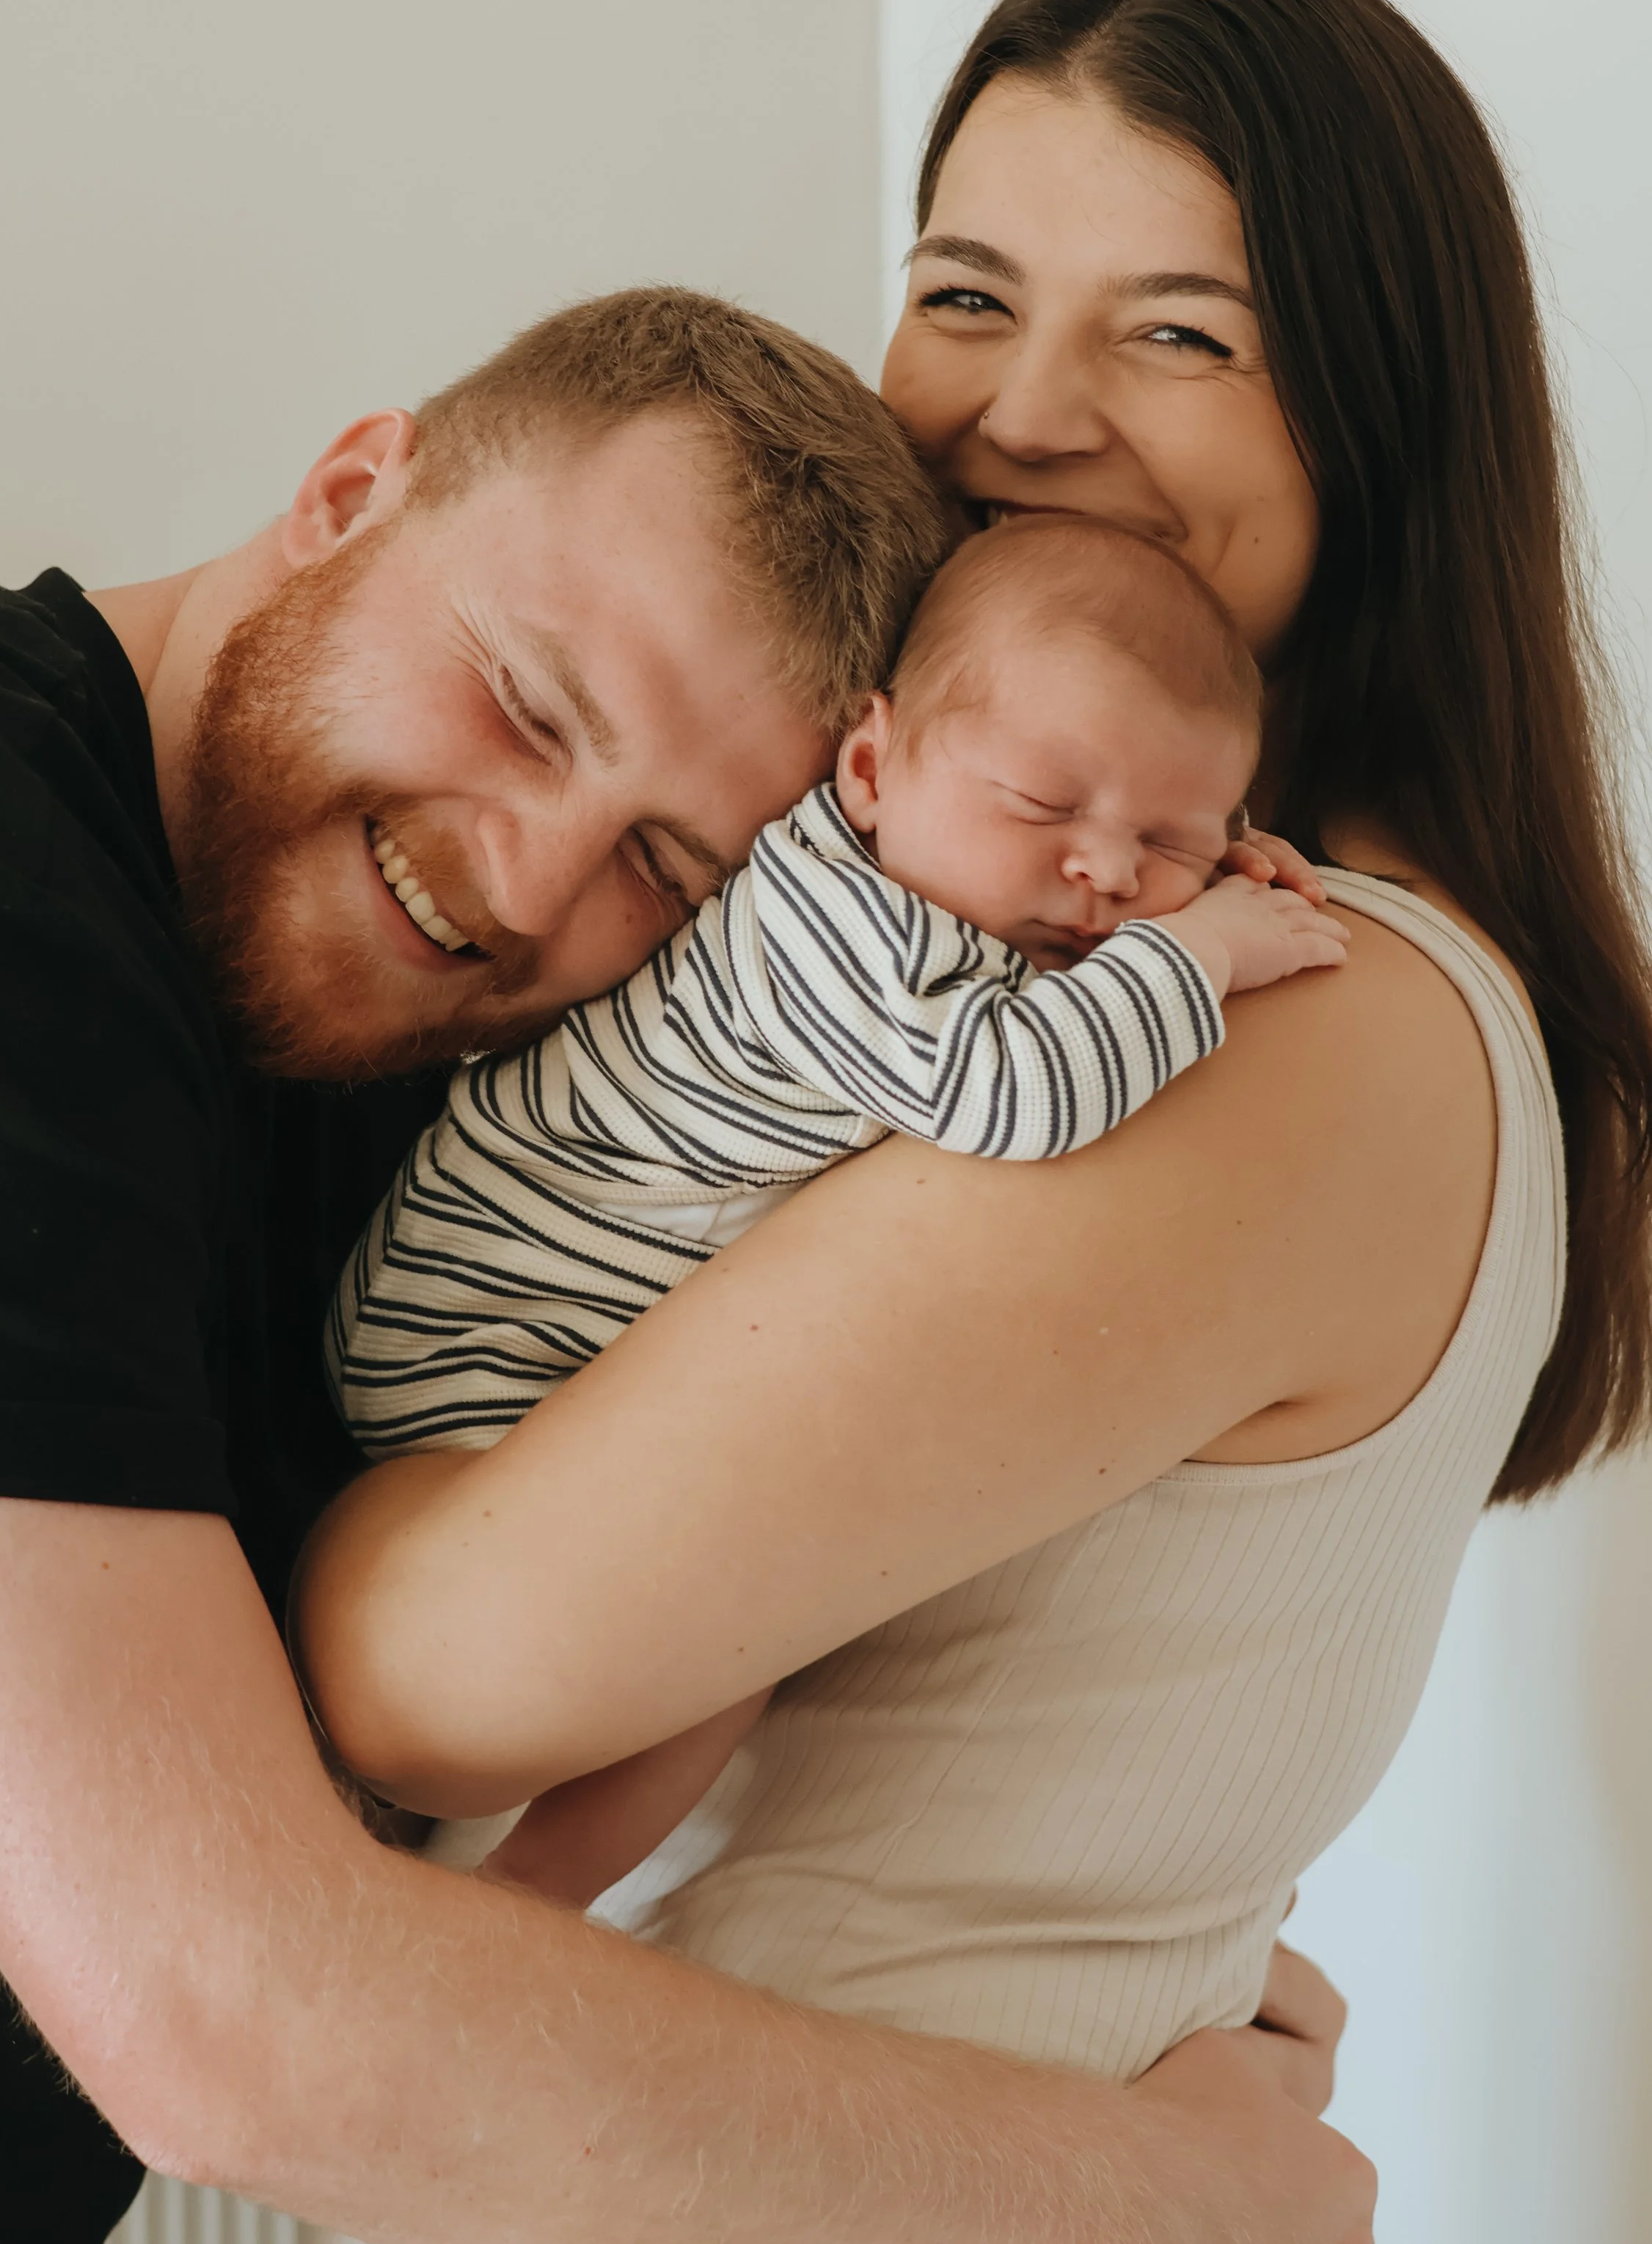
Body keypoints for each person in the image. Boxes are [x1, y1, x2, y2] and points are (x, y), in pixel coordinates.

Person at [0, 282, 1370, 2244]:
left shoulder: (418, 1043)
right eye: (529, 708)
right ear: (349, 490)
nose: (528, 887)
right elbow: (233, 2018)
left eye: (667, 864)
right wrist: (1165, 2203)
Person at [283, 0, 1652, 2109]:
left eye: (1179, 331)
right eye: (964, 292)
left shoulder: (1282, 1006)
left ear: (1377, 413)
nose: (1019, 414)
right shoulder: (1038, 920)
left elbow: (424, 1677)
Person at [303, 512, 1349, 1905]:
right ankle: (524, 1900)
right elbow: (1009, 1092)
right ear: (869, 767)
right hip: (482, 1338)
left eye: (1168, 837)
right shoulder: (836, 924)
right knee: (729, 1634)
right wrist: (1198, 952)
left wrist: (1223, 873)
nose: (1105, 871)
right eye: (1043, 805)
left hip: (546, 1343)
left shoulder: (967, 886)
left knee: (732, 1633)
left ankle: (507, 1889)